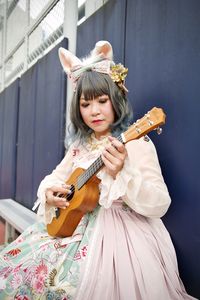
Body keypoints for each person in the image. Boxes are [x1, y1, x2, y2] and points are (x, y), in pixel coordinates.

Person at [0, 41, 196, 300]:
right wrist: (50, 192)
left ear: (116, 99)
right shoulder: (79, 146)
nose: (94, 111)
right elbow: (56, 177)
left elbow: (160, 203)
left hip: (120, 239)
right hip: (73, 226)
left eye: (102, 101)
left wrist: (123, 175)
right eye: (85, 104)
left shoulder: (136, 143)